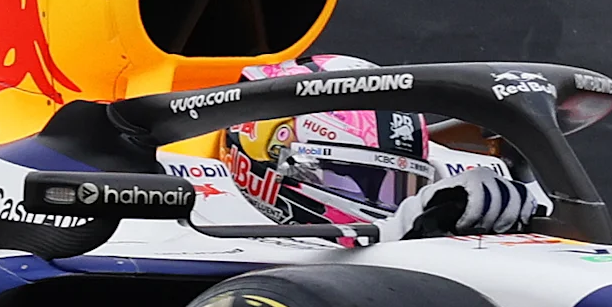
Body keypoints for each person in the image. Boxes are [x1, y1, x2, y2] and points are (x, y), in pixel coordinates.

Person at [221, 55, 553, 238]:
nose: (385, 202)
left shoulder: (455, 184)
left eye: (398, 186)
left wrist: (525, 187)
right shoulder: (205, 219)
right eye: (349, 179)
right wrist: (406, 225)